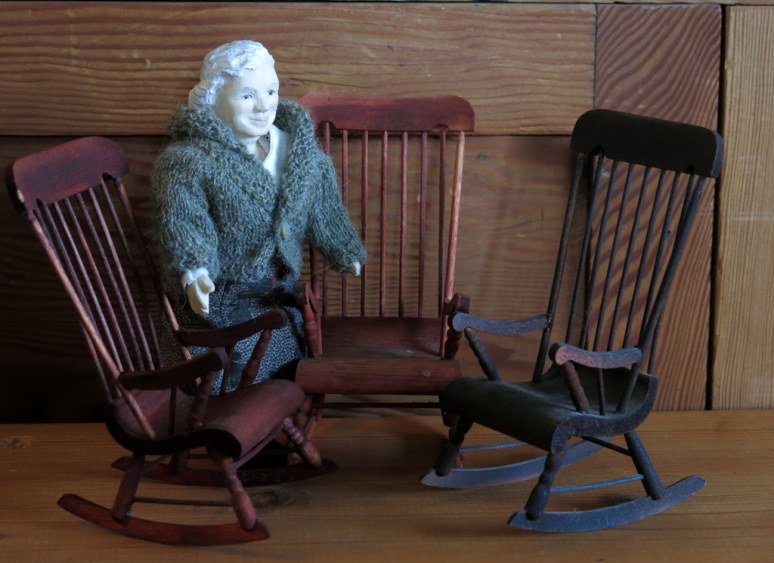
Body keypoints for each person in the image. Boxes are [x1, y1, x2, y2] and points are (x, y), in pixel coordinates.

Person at [152, 40, 366, 392]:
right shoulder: (189, 161)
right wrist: (194, 269)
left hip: (276, 292)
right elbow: (184, 220)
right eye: (246, 96)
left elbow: (322, 203)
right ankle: (232, 408)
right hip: (221, 295)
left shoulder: (297, 152)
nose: (263, 105)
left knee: (283, 356)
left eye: (271, 91)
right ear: (212, 100)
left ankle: (276, 402)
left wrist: (342, 247)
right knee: (223, 371)